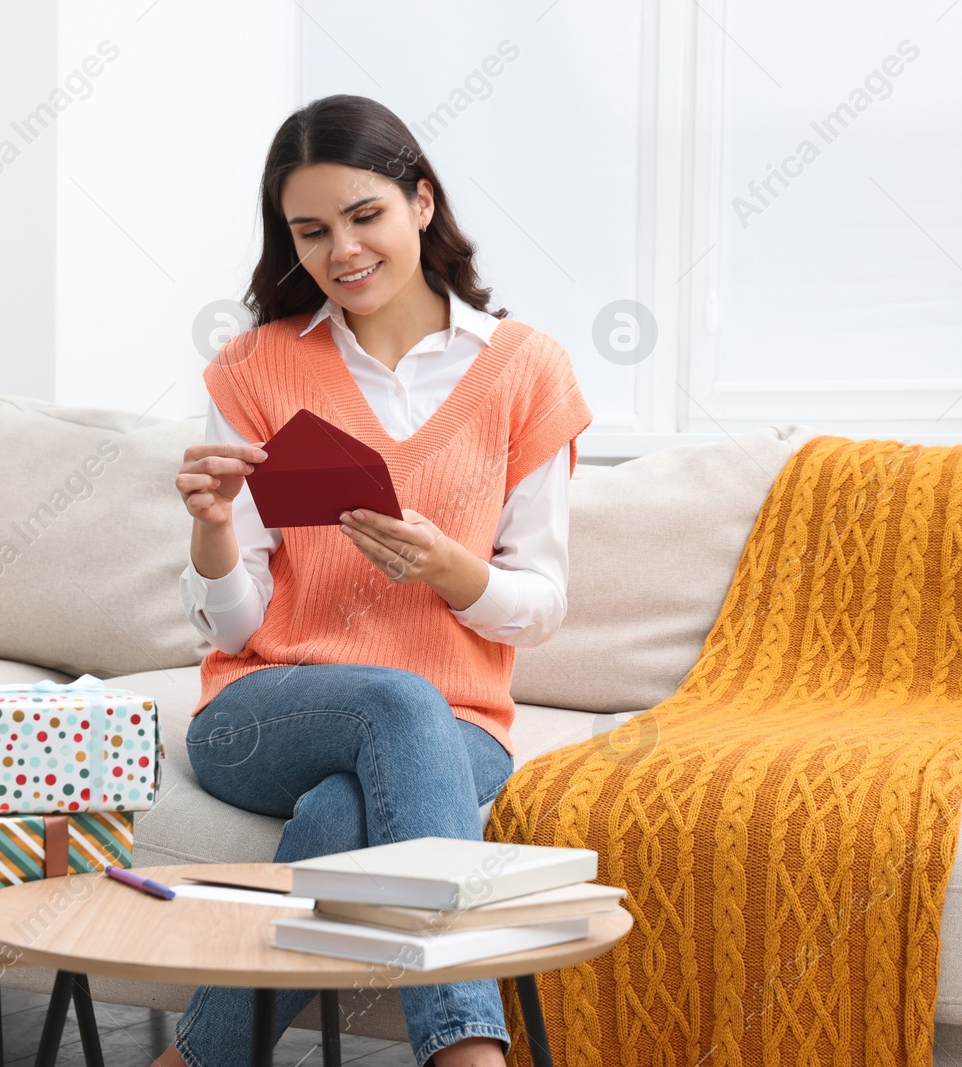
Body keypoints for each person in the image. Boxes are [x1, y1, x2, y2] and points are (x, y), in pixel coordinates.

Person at [156, 93, 593, 1067]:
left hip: (460, 728)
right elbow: (235, 629)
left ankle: (193, 1059)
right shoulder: (258, 367)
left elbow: (541, 605)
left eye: (364, 216)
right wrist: (213, 532)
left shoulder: (524, 371)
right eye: (309, 231)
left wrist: (454, 573)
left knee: (336, 819)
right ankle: (468, 1051)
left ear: (421, 203)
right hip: (259, 711)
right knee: (395, 699)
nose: (341, 251)